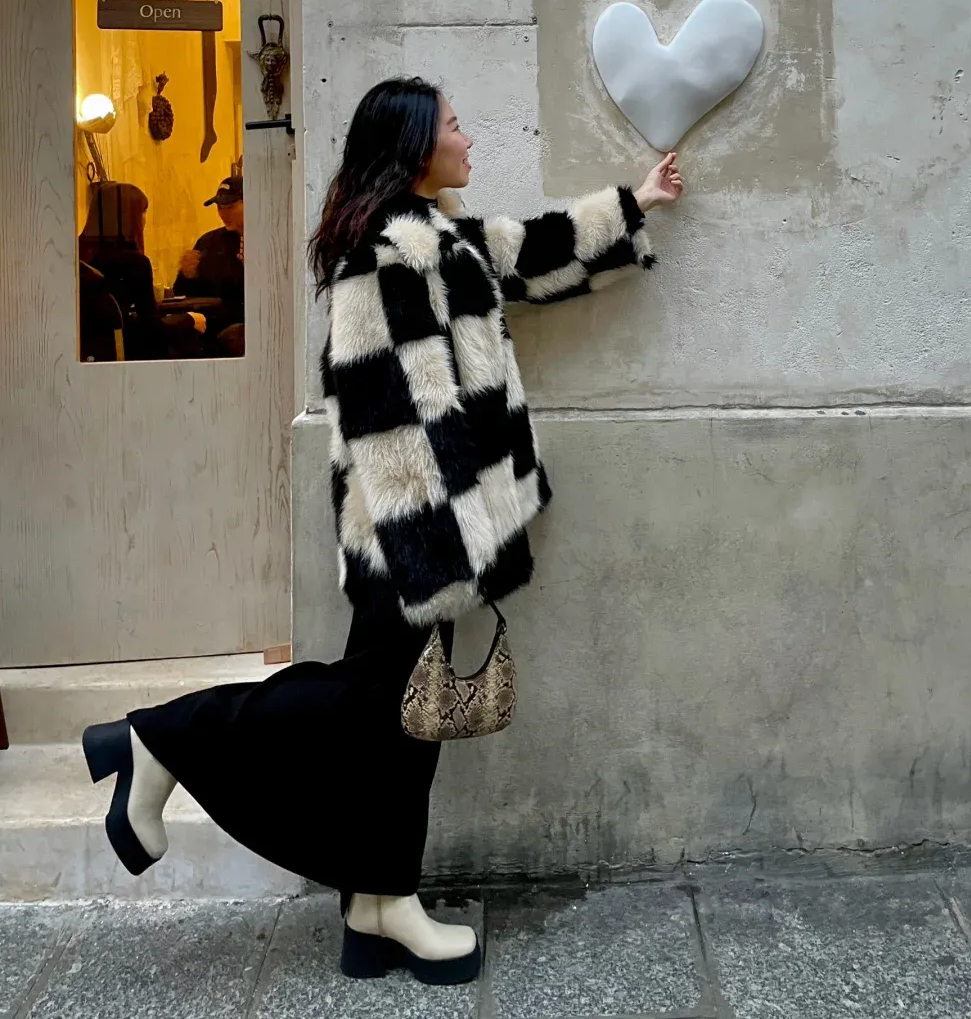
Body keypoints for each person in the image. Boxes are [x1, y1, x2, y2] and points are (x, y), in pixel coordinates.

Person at [80, 77, 683, 985]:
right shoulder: (381, 258)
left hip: (432, 531)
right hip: (409, 536)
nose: (469, 137)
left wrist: (638, 201)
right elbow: (380, 419)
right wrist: (431, 551)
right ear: (412, 146)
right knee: (372, 705)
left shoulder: (439, 239)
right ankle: (163, 738)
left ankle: (376, 907)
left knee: (399, 722)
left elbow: (531, 253)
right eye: (454, 125)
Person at [78, 182, 163, 360]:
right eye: (143, 212)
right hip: (118, 353)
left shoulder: (73, 254)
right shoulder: (135, 262)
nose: (145, 219)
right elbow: (152, 327)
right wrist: (188, 320)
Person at [173, 175, 245, 356]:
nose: (224, 214)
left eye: (230, 207)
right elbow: (182, 292)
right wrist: (187, 275)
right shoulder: (208, 242)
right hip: (209, 333)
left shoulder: (268, 240)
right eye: (220, 208)